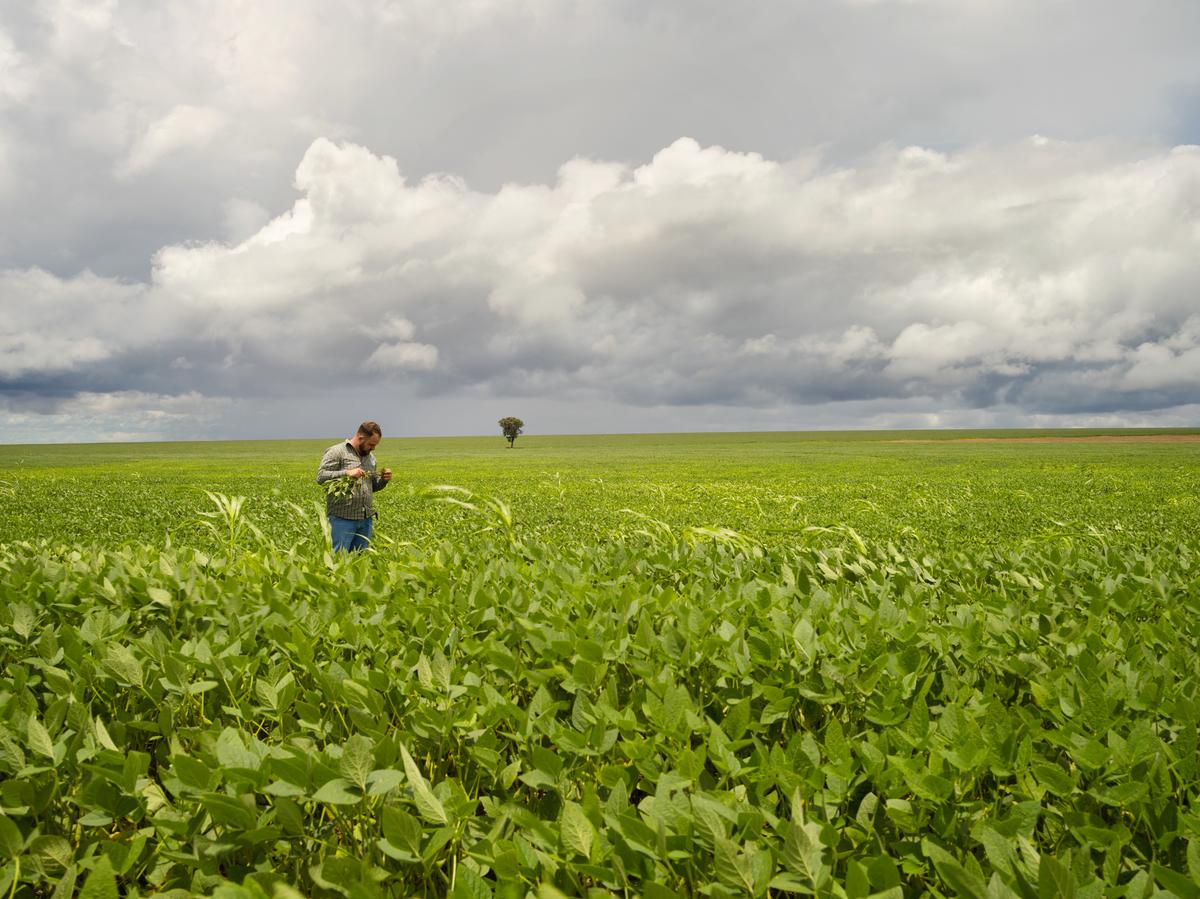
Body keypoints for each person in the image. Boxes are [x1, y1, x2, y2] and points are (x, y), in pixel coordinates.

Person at [316, 421, 393, 551]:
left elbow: (372, 486)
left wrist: (383, 480)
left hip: (365, 519)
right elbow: (321, 477)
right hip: (342, 519)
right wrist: (347, 473)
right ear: (361, 438)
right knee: (339, 558)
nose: (373, 448)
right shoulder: (336, 452)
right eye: (371, 444)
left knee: (360, 559)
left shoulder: (371, 458)